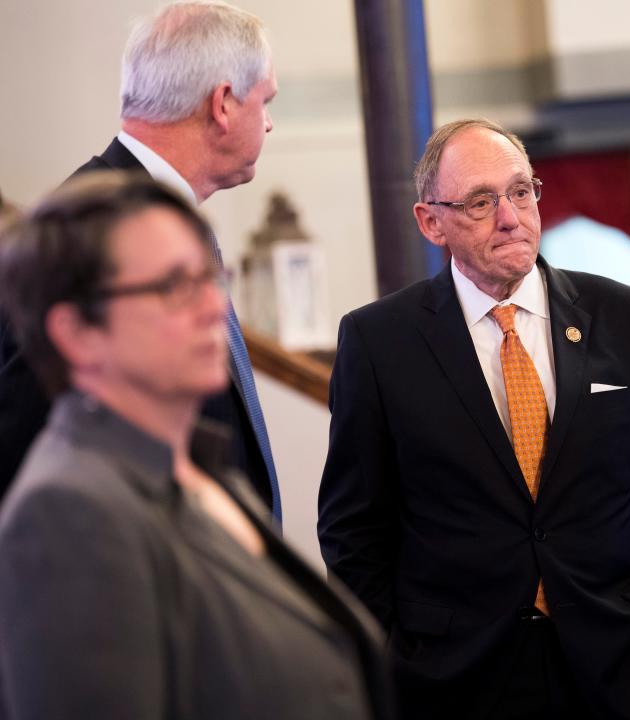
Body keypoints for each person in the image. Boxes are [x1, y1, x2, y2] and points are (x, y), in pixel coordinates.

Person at [318, 118, 630, 720]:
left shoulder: (627, 317)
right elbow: (354, 531)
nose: (509, 216)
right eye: (481, 201)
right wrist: (396, 660)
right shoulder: (378, 341)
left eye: (521, 191)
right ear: (432, 222)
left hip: (627, 666)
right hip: (455, 682)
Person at [0, 173, 394, 720]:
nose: (214, 309)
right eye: (174, 286)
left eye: (212, 279)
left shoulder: (203, 470)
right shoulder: (69, 511)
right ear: (77, 333)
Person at [0, 1, 281, 519]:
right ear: (222, 104)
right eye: (265, 102)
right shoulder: (86, 234)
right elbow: (23, 443)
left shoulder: (152, 221)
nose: (268, 124)